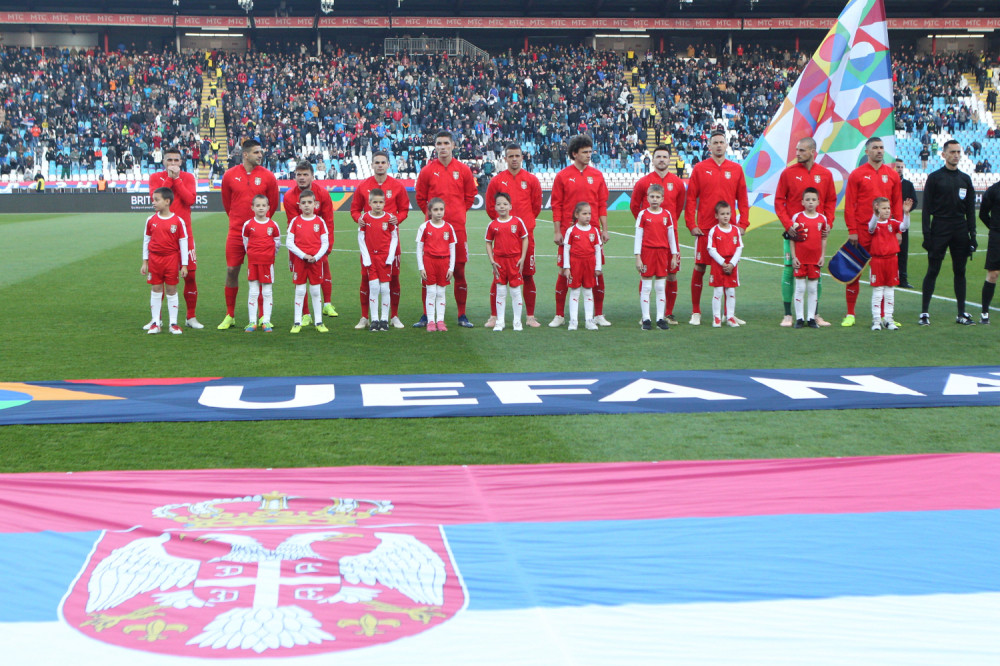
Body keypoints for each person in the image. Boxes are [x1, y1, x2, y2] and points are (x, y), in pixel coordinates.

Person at [685, 130, 749, 325]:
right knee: (700, 266)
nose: (719, 145)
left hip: (729, 230)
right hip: (705, 227)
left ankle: (728, 313)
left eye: (722, 142)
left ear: (727, 145)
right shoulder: (700, 168)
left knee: (728, 268)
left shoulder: (736, 169)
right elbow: (690, 199)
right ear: (709, 146)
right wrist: (691, 224)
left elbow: (743, 200)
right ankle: (696, 311)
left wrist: (743, 223)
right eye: (715, 142)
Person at [414, 132, 477, 328]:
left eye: (446, 143)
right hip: (432, 231)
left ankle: (462, 314)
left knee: (459, 270)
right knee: (428, 273)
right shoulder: (427, 171)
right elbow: (420, 197)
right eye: (439, 143)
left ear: (453, 145)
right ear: (435, 147)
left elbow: (470, 196)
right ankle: (427, 315)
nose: (442, 147)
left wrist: (457, 214)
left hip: (457, 228)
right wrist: (431, 217)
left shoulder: (464, 170)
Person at [774, 137, 836, 327]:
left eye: (801, 150)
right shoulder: (788, 173)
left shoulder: (825, 174)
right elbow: (779, 201)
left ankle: (814, 314)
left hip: (816, 233)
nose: (797, 153)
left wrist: (828, 223)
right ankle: (787, 314)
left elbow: (832, 200)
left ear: (812, 152)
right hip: (794, 233)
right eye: (797, 150)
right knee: (789, 270)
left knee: (815, 270)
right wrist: (788, 225)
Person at [550, 134, 610, 328]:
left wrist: (604, 229)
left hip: (592, 234)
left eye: (590, 152)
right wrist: (557, 231)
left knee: (596, 271)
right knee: (563, 271)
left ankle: (598, 314)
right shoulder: (563, 176)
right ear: (574, 153)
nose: (588, 155)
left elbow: (602, 204)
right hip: (570, 233)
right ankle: (560, 315)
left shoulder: (597, 175)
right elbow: (556, 205)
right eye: (584, 152)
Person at [219, 139, 279, 329]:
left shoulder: (268, 176)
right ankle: (230, 314)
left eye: (261, 152)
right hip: (237, 232)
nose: (260, 155)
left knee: (261, 274)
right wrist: (240, 222)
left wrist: (260, 225)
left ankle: (262, 316)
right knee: (231, 270)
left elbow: (273, 204)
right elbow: (227, 204)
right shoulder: (229, 175)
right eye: (256, 152)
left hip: (261, 234)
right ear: (245, 154)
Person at [842, 136, 902, 327]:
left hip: (885, 233)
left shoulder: (892, 175)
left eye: (881, 147)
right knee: (854, 272)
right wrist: (852, 229)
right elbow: (850, 204)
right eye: (875, 147)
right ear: (867, 151)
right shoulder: (857, 174)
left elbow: (897, 203)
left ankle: (885, 316)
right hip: (862, 231)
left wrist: (898, 229)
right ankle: (850, 313)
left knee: (884, 274)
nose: (879, 150)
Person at [919, 139, 978, 326]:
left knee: (960, 271)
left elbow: (970, 210)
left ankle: (961, 313)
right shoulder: (935, 178)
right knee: (933, 270)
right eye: (952, 152)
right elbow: (926, 209)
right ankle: (924, 313)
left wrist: (973, 236)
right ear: (944, 154)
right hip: (940, 227)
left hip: (960, 228)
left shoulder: (965, 179)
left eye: (958, 152)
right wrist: (927, 235)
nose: (956, 155)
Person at [485, 143, 543, 328]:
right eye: (511, 156)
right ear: (505, 158)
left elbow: (536, 207)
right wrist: (503, 226)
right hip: (503, 239)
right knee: (498, 276)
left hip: (525, 237)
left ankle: (530, 316)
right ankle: (494, 316)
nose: (514, 159)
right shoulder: (497, 181)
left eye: (517, 155)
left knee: (527, 275)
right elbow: (489, 207)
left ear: (522, 157)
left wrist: (524, 225)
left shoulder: (531, 180)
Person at [351, 151, 410, 329]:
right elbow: (354, 210)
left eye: (383, 162)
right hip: (369, 245)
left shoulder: (397, 186)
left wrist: (397, 219)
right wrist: (358, 219)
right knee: (365, 279)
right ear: (372, 164)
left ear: (388, 165)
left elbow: (404, 210)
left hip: (390, 243)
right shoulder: (363, 186)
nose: (380, 165)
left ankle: (394, 316)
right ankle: (364, 317)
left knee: (394, 279)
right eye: (376, 162)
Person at [631, 144, 686, 325]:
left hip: (670, 237)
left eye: (665, 157)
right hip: (649, 239)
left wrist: (665, 225)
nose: (661, 159)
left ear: (669, 160)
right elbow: (634, 205)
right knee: (646, 275)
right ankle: (644, 315)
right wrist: (648, 223)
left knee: (671, 274)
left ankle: (667, 313)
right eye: (658, 157)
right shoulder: (643, 182)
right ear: (653, 160)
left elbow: (678, 208)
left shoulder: (678, 183)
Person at [149, 147, 202, 329]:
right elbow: (156, 198)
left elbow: (190, 200)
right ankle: (158, 318)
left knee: (190, 275)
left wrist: (177, 180)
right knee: (159, 278)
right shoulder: (156, 178)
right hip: (162, 236)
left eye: (176, 160)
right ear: (163, 161)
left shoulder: (188, 178)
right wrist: (170, 179)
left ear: (181, 162)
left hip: (184, 234)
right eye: (169, 160)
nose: (173, 164)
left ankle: (191, 316)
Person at [283, 161, 336, 326]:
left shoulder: (323, 194)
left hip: (318, 244)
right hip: (299, 246)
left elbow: (328, 221)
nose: (302, 178)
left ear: (312, 176)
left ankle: (327, 304)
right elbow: (294, 224)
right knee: (299, 279)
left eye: (305, 174)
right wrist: (300, 251)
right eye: (299, 174)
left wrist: (328, 246)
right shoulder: (289, 197)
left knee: (324, 269)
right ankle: (306, 313)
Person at [140, 187, 189, 335]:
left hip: (171, 259)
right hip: (155, 260)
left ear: (167, 201)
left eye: (157, 200)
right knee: (156, 289)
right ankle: (155, 322)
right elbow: (146, 241)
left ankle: (173, 323)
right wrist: (145, 261)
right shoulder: (151, 220)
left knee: (171, 289)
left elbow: (183, 243)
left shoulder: (178, 221)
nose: (153, 202)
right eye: (153, 199)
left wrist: (184, 265)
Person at [633, 184, 679, 330]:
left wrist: (674, 255)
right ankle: (646, 318)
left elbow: (671, 236)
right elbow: (638, 237)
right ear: (647, 197)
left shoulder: (667, 215)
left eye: (657, 197)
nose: (654, 199)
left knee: (660, 286)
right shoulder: (643, 214)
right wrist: (638, 256)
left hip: (662, 253)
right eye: (652, 196)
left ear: (662, 199)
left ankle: (660, 318)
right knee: (646, 286)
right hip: (647, 252)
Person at [285, 189, 330, 334]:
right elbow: (289, 242)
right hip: (300, 261)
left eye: (309, 202)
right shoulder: (295, 221)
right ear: (299, 205)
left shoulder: (320, 221)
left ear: (315, 204)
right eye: (303, 203)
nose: (306, 205)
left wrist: (316, 257)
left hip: (315, 262)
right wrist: (303, 255)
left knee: (316, 290)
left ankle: (319, 322)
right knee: (300, 290)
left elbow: (325, 243)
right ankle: (297, 321)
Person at [485, 192, 529, 332]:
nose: (502, 206)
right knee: (501, 291)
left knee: (516, 291)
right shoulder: (492, 225)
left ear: (510, 206)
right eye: (499, 204)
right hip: (499, 262)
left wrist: (522, 258)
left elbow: (525, 238)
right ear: (495, 207)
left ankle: (517, 321)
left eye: (505, 204)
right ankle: (500, 321)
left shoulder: (517, 222)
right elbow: (488, 243)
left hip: (514, 261)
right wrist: (492, 261)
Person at [357, 189, 398, 332]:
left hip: (385, 259)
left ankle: (384, 320)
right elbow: (361, 238)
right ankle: (374, 319)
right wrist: (366, 257)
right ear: (369, 203)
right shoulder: (365, 218)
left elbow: (394, 237)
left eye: (381, 202)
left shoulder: (389, 218)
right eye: (375, 202)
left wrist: (390, 257)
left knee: (385, 288)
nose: (378, 205)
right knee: (374, 288)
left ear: (385, 203)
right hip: (371, 259)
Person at [789, 188, 829, 329]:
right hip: (800, 259)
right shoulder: (797, 217)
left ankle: (811, 318)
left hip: (815, 259)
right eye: (807, 199)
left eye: (813, 200)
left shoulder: (822, 218)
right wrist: (794, 257)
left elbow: (824, 238)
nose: (810, 202)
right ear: (802, 202)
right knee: (800, 288)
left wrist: (822, 256)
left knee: (813, 289)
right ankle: (799, 318)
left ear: (818, 202)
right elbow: (792, 238)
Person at [241, 195, 281, 333]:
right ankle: (252, 322)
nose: (261, 208)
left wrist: (269, 255)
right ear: (252, 208)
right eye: (258, 205)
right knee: (253, 292)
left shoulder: (273, 225)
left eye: (263, 205)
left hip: (267, 263)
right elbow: (245, 242)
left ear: (268, 208)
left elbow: (277, 243)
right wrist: (253, 254)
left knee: (267, 292)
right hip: (253, 263)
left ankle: (266, 321)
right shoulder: (248, 225)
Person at [416, 198, 457, 332]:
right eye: (436, 210)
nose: (439, 212)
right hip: (429, 261)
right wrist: (421, 267)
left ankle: (440, 320)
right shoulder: (424, 227)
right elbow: (419, 248)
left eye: (441, 209)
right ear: (430, 211)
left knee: (441, 292)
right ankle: (431, 321)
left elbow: (452, 248)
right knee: (431, 291)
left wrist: (451, 268)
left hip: (443, 262)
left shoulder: (449, 227)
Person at [561, 202, 603, 331]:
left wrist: (598, 267)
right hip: (575, 264)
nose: (587, 216)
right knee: (574, 292)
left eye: (589, 213)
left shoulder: (594, 230)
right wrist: (567, 267)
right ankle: (573, 321)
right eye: (584, 213)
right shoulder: (571, 230)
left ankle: (589, 320)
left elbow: (597, 249)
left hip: (589, 264)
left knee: (588, 291)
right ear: (577, 215)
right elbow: (566, 249)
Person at [868, 197, 907, 331]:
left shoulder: (893, 223)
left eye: (888, 208)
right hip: (878, 261)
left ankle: (888, 319)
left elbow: (904, 226)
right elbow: (871, 227)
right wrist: (875, 215)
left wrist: (906, 214)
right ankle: (876, 319)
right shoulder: (874, 223)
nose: (887, 211)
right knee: (878, 292)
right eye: (884, 208)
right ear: (877, 208)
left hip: (892, 260)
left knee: (890, 291)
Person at [707, 201, 743, 328]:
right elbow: (711, 249)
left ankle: (730, 317)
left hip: (732, 265)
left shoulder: (735, 231)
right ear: (717, 216)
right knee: (718, 291)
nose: (725, 216)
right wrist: (723, 263)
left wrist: (732, 263)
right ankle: (716, 317)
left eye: (727, 213)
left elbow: (739, 248)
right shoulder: (714, 231)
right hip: (718, 265)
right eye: (722, 214)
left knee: (731, 291)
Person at [978, 178, 1000, 324]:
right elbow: (983, 214)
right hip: (997, 236)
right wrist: (994, 228)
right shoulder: (994, 190)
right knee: (993, 273)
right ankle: (984, 312)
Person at [894, 158, 918, 288]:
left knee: (903, 252)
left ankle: (903, 279)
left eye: (901, 167)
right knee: (887, 252)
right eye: (897, 167)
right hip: (889, 223)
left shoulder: (908, 185)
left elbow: (914, 201)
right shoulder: (889, 182)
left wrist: (905, 212)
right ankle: (887, 277)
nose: (900, 169)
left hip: (903, 223)